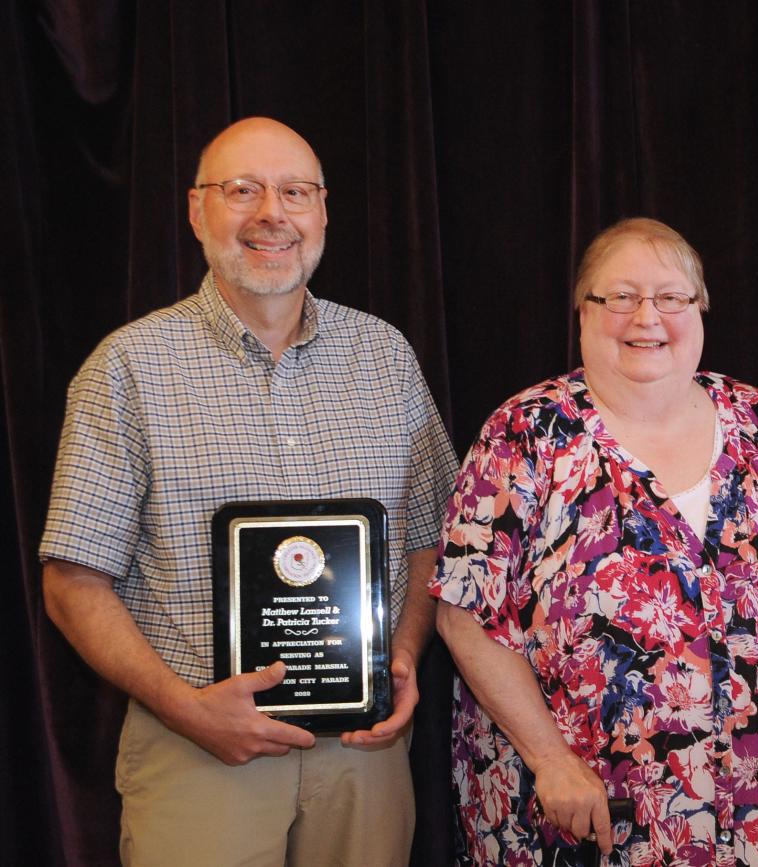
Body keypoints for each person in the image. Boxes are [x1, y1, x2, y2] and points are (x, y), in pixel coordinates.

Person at [39, 117, 457, 866]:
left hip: (362, 755)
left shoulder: (385, 356)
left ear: (323, 212)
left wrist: (402, 653)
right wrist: (187, 709)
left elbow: (434, 538)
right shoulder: (128, 368)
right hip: (197, 753)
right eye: (242, 190)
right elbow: (72, 580)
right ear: (197, 211)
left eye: (295, 191)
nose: (272, 212)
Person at [432, 217, 758, 865]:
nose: (645, 316)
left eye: (670, 297)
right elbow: (462, 613)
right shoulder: (525, 434)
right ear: (582, 310)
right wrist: (550, 758)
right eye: (619, 296)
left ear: (701, 307)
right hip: (587, 818)